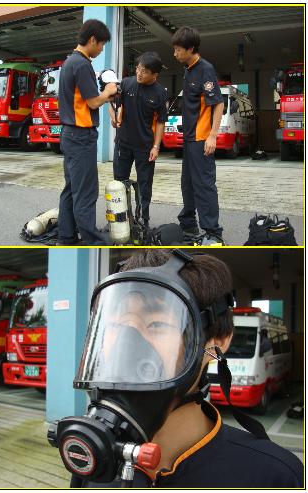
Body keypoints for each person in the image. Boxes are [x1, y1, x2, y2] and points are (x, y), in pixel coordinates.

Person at [68, 249, 303, 488]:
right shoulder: (93, 459)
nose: (125, 344)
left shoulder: (273, 476)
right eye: (114, 325)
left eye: (157, 323)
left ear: (218, 341)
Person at [57, 19, 118, 246]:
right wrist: (109, 91)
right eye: (101, 44)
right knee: (86, 192)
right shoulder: (82, 64)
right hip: (81, 136)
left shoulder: (69, 62)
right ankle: (92, 240)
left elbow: (85, 100)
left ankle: (66, 237)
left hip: (70, 134)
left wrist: (104, 96)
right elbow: (93, 102)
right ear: (92, 39)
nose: (101, 49)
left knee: (71, 189)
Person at [172, 26, 224, 246]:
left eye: (178, 49)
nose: (175, 53)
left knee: (204, 185)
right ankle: (189, 224)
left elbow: (218, 103)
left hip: (202, 138)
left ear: (191, 48)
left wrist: (213, 136)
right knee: (188, 184)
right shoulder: (188, 69)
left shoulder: (205, 69)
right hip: (189, 138)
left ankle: (213, 233)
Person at [108, 52, 168, 227]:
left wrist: (156, 146)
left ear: (155, 74)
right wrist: (113, 117)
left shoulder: (160, 93)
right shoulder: (126, 83)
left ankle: (143, 220)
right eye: (138, 68)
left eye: (145, 71)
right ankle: (121, 220)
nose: (139, 73)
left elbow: (161, 122)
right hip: (123, 144)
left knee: (145, 185)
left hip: (145, 147)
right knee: (119, 183)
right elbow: (111, 103)